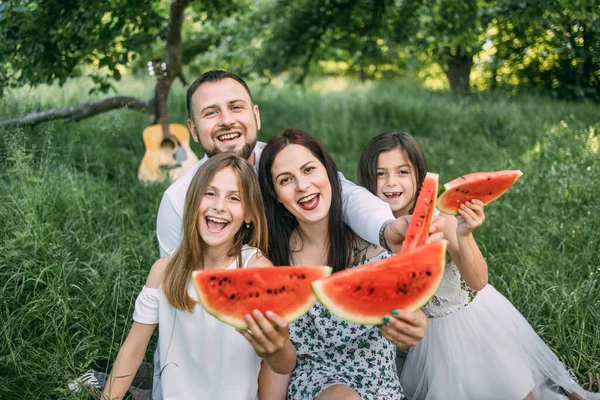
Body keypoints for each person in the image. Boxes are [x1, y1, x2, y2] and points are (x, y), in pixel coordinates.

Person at [153, 70, 445, 398]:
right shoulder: (178, 201)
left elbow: (347, 196)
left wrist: (385, 228)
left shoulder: (279, 159)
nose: (226, 120)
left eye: (236, 107)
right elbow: (185, 299)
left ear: (255, 114)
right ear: (192, 129)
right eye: (210, 113)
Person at [357, 131, 597, 400]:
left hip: (474, 321)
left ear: (419, 176)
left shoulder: (441, 222)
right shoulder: (372, 231)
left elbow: (478, 281)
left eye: (402, 172)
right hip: (429, 339)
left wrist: (464, 235)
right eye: (381, 174)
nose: (391, 182)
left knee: (519, 393)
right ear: (367, 179)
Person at [102, 153, 296, 400]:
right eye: (210, 193)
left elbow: (283, 364)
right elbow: (132, 351)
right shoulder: (164, 270)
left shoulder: (258, 273)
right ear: (193, 200)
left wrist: (277, 346)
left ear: (249, 215)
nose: (219, 206)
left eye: (234, 198)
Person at [258, 128, 428, 400]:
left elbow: (409, 311)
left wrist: (415, 324)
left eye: (309, 170)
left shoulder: (373, 244)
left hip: (383, 389)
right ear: (276, 195)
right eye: (286, 180)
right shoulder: (273, 261)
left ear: (329, 173)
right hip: (316, 386)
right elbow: (275, 360)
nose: (303, 185)